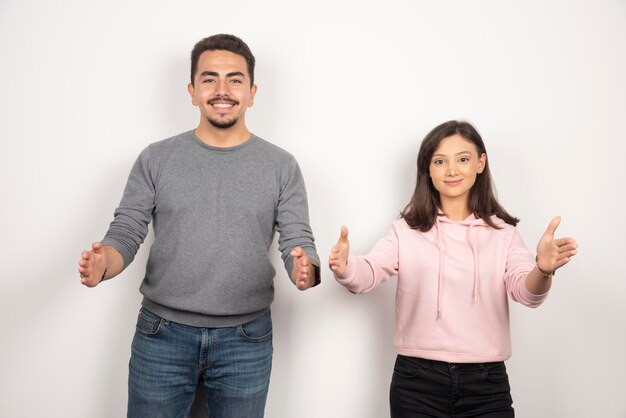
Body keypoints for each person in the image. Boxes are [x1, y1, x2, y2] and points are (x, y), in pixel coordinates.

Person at [77, 34, 320, 418]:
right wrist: (102, 264)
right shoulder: (156, 158)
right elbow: (126, 231)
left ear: (252, 92)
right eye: (209, 79)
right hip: (162, 336)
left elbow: (299, 241)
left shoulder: (281, 165)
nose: (222, 90)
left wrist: (308, 271)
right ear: (192, 91)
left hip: (246, 340)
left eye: (235, 79)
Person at [328, 120, 577, 417]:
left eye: (463, 159)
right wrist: (345, 266)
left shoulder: (504, 234)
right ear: (427, 169)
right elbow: (367, 273)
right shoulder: (405, 231)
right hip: (416, 382)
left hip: (487, 384)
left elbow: (526, 292)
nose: (452, 170)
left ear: (480, 163)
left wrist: (543, 269)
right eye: (440, 161)